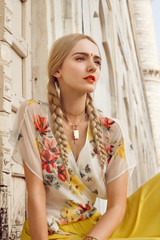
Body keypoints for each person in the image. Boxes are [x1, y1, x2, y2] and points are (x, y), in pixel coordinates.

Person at [9, 33, 160, 240]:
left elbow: (117, 207)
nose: (92, 67)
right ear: (57, 70)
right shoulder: (34, 114)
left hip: (98, 230)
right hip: (51, 231)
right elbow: (35, 193)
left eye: (97, 61)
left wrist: (92, 239)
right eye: (81, 58)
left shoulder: (112, 129)